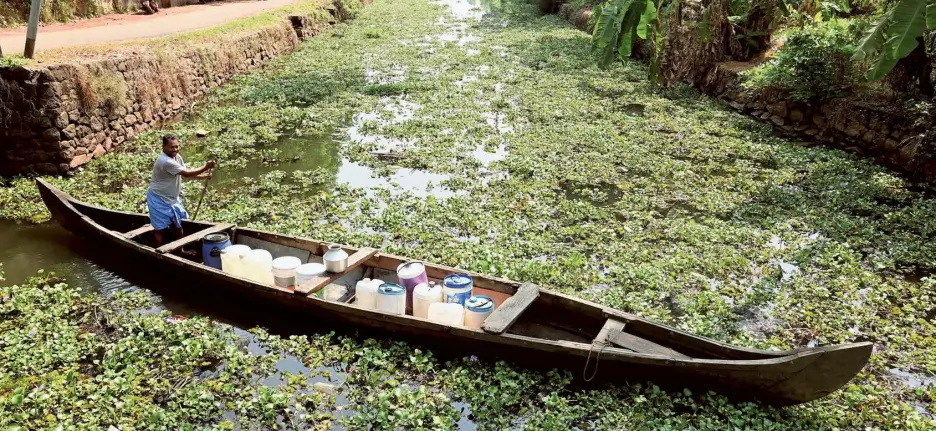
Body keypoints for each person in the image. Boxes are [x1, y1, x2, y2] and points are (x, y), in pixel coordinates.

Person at [147, 133, 216, 248]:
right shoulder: (165, 161)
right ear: (163, 147)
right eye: (171, 147)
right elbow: (187, 174)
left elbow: (183, 173)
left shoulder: (176, 157)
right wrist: (206, 167)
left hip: (172, 199)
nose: (175, 149)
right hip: (159, 199)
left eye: (177, 146)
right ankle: (156, 253)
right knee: (160, 230)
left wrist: (203, 176)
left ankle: (180, 251)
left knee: (178, 226)